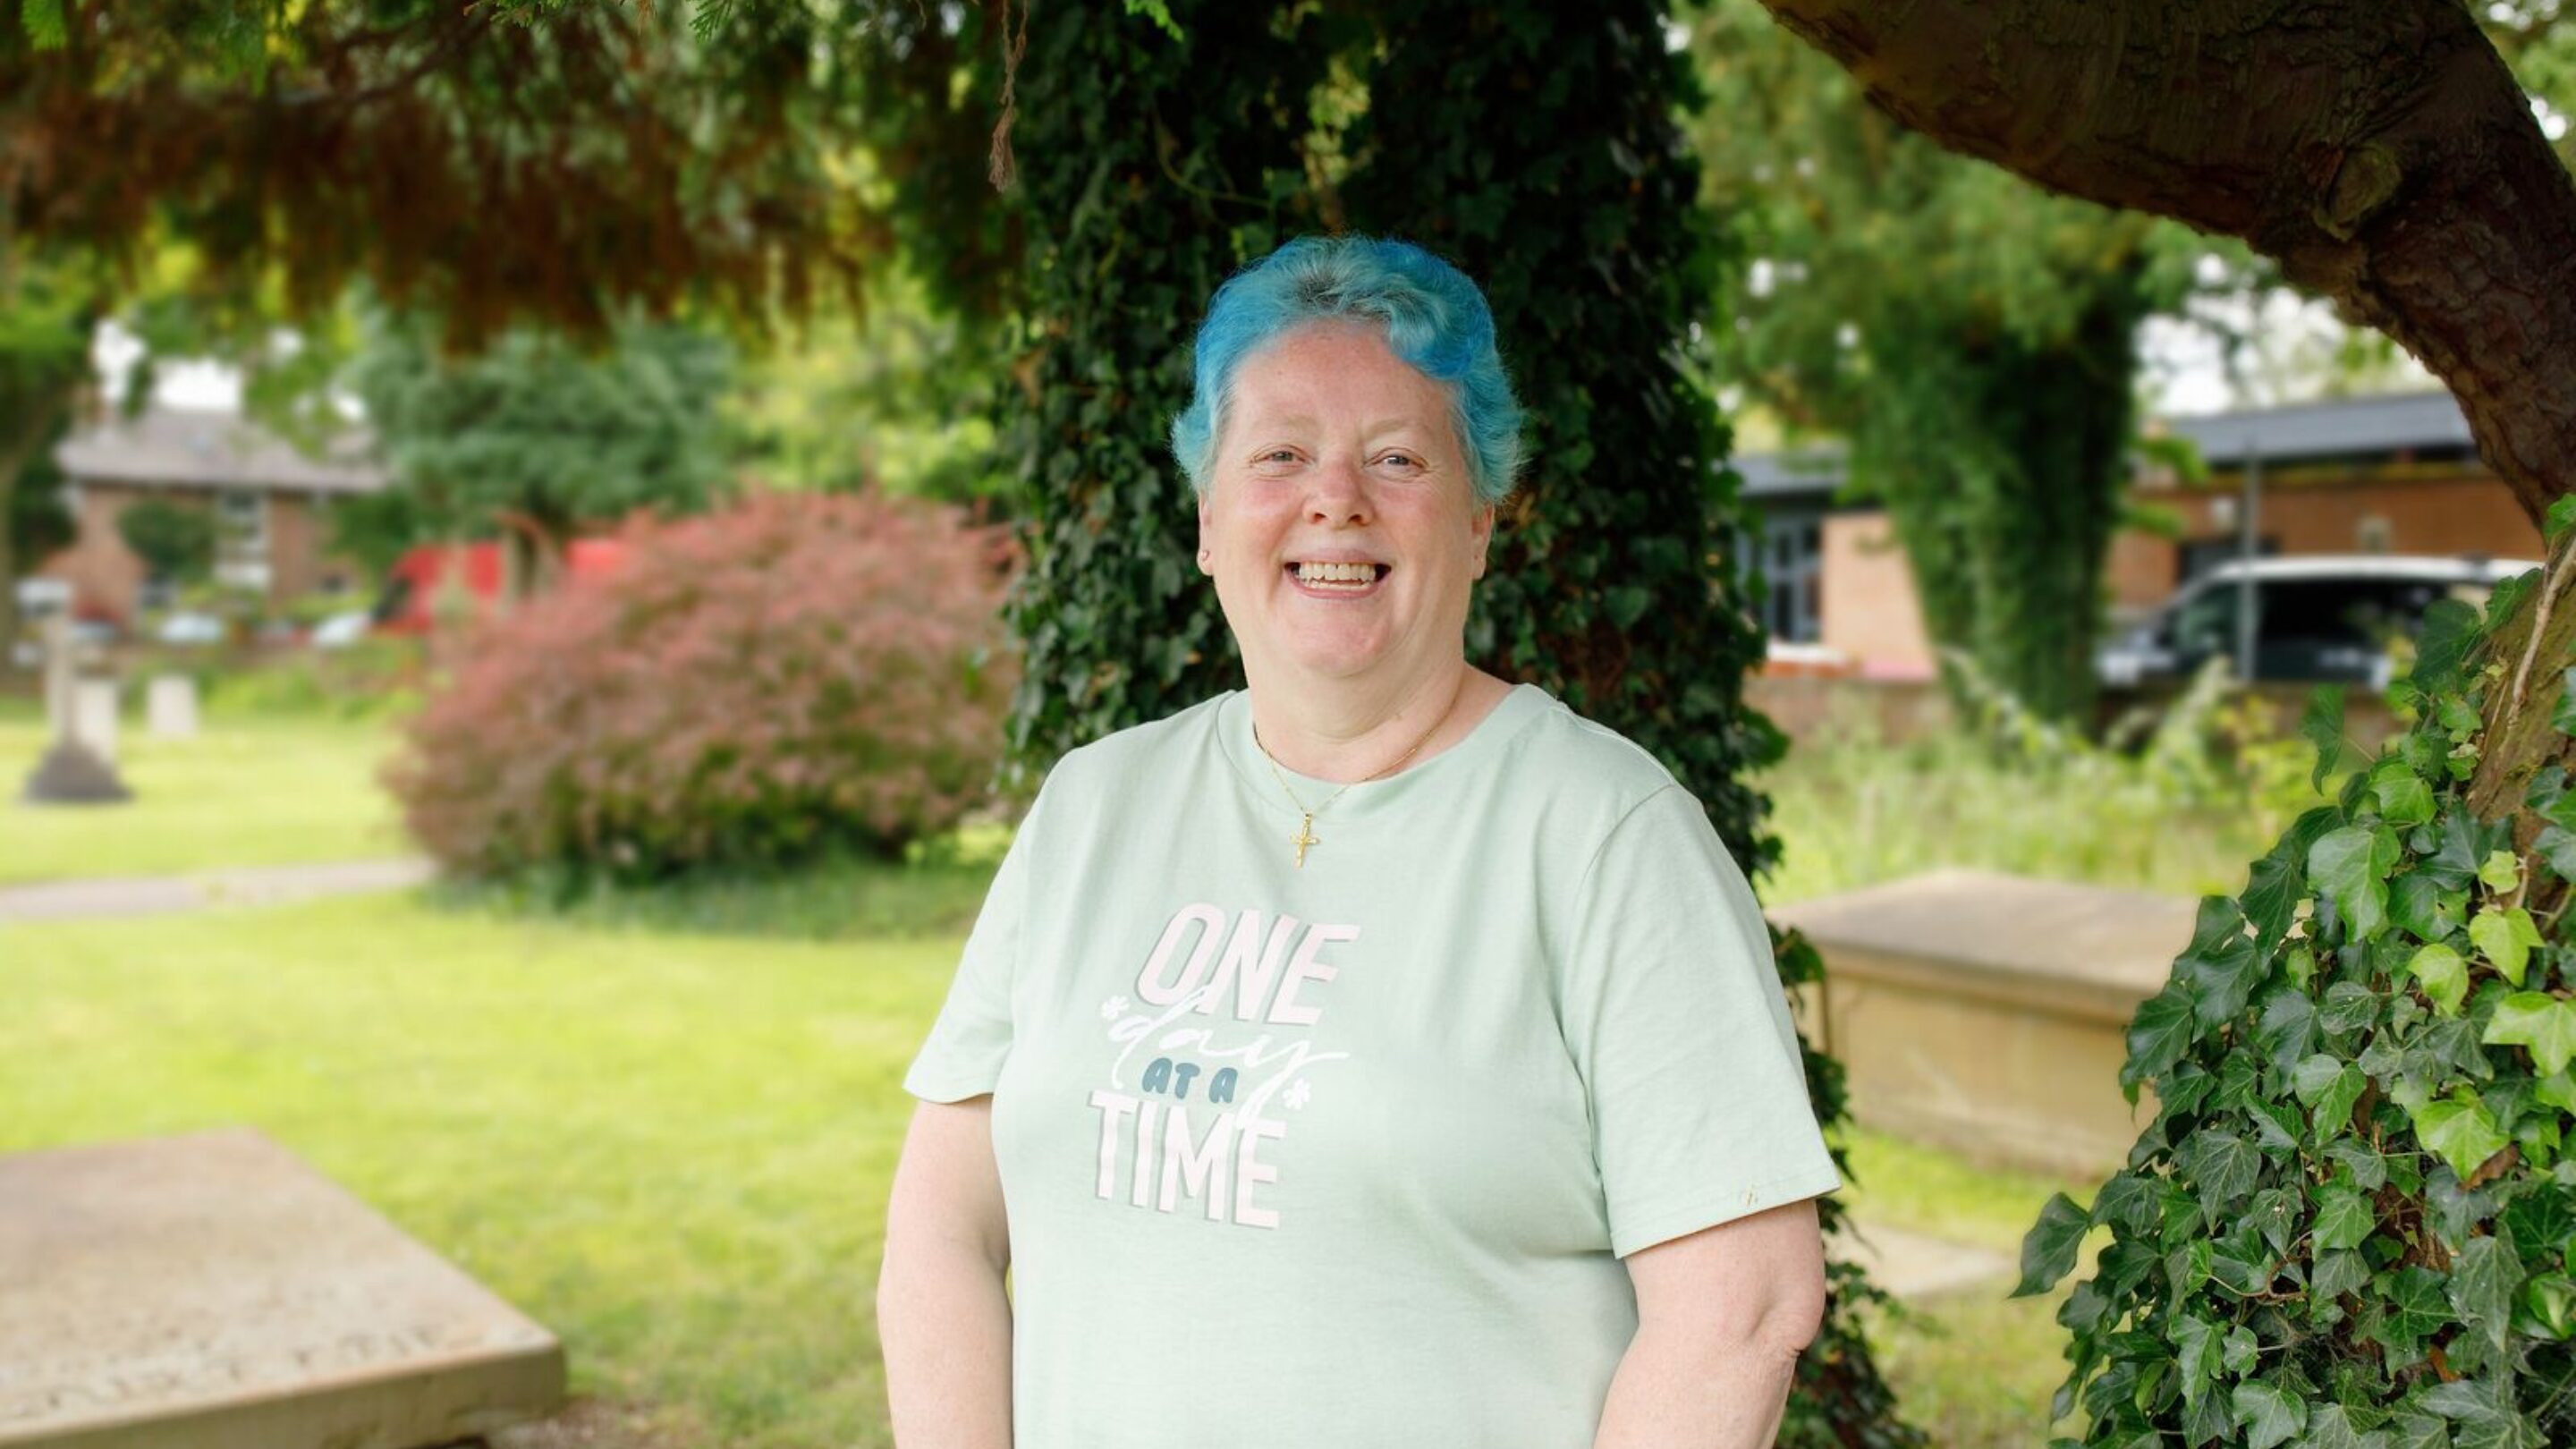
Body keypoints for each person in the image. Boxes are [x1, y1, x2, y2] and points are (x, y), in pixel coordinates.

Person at [877, 234, 1840, 1449]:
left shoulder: (1608, 839)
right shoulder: (1093, 808)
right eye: (1281, 454)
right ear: (1208, 515)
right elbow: (942, 1232)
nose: (1336, 498)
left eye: (1397, 456)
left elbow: (1742, 1311)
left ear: (1482, 520)